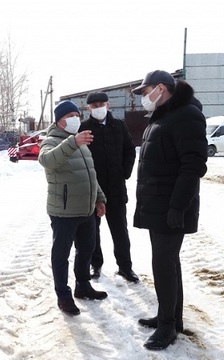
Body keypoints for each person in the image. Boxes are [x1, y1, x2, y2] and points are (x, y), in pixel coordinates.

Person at [131, 70, 207, 350]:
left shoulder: (186, 115)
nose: (143, 98)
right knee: (168, 263)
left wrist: (178, 206)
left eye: (145, 91)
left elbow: (193, 165)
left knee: (163, 265)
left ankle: (167, 328)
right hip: (158, 204)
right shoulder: (163, 116)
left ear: (160, 88)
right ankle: (172, 318)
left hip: (171, 207)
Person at [38, 100, 108, 316]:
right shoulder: (51, 141)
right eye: (70, 115)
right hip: (64, 211)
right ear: (59, 120)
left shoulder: (81, 142)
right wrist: (73, 143)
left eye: (77, 115)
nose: (75, 119)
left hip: (86, 209)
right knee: (61, 255)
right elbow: (47, 160)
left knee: (87, 249)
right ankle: (63, 296)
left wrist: (99, 198)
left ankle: (83, 286)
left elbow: (90, 174)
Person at [79, 92, 138, 283]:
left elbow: (130, 150)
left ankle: (125, 267)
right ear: (88, 108)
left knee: (120, 230)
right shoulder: (84, 128)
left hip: (116, 189)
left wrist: (124, 172)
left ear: (108, 105)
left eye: (101, 104)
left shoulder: (119, 125)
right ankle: (96, 265)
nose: (98, 108)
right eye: (94, 105)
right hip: (93, 191)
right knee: (92, 231)